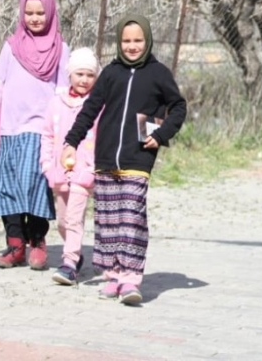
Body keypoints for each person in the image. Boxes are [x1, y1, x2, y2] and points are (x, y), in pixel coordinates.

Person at [62, 15, 187, 306]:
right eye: (127, 41)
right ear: (119, 42)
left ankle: (131, 278)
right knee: (108, 221)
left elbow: (178, 106)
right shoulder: (111, 73)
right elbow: (91, 108)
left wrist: (162, 133)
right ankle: (114, 274)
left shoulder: (158, 73)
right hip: (105, 158)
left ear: (147, 41)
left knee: (131, 219)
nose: (132, 46)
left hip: (138, 156)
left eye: (138, 41)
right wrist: (71, 142)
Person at [0, 0, 70, 271]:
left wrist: (64, 130)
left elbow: (65, 90)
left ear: (50, 13)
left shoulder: (60, 49)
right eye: (29, 12)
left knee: (36, 186)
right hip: (10, 131)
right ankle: (15, 245)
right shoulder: (11, 47)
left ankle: (37, 242)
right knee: (7, 188)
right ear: (21, 13)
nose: (35, 18)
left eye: (41, 12)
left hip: (41, 131)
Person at [39, 47, 100, 286]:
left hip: (84, 172)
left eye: (90, 75)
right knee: (63, 221)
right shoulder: (57, 102)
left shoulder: (97, 105)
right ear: (70, 75)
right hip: (59, 172)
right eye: (79, 74)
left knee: (74, 218)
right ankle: (77, 253)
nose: (84, 80)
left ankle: (69, 264)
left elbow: (102, 136)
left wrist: (93, 167)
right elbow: (46, 135)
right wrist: (46, 164)